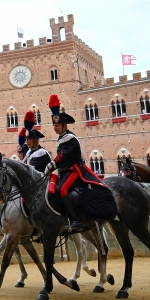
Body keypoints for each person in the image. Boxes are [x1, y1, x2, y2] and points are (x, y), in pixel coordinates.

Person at [47, 94, 106, 231]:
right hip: (65, 172)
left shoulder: (69, 138)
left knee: (62, 190)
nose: (55, 128)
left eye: (57, 125)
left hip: (74, 170)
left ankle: (76, 220)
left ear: (64, 126)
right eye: (54, 125)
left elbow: (62, 157)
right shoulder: (62, 138)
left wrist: (51, 165)